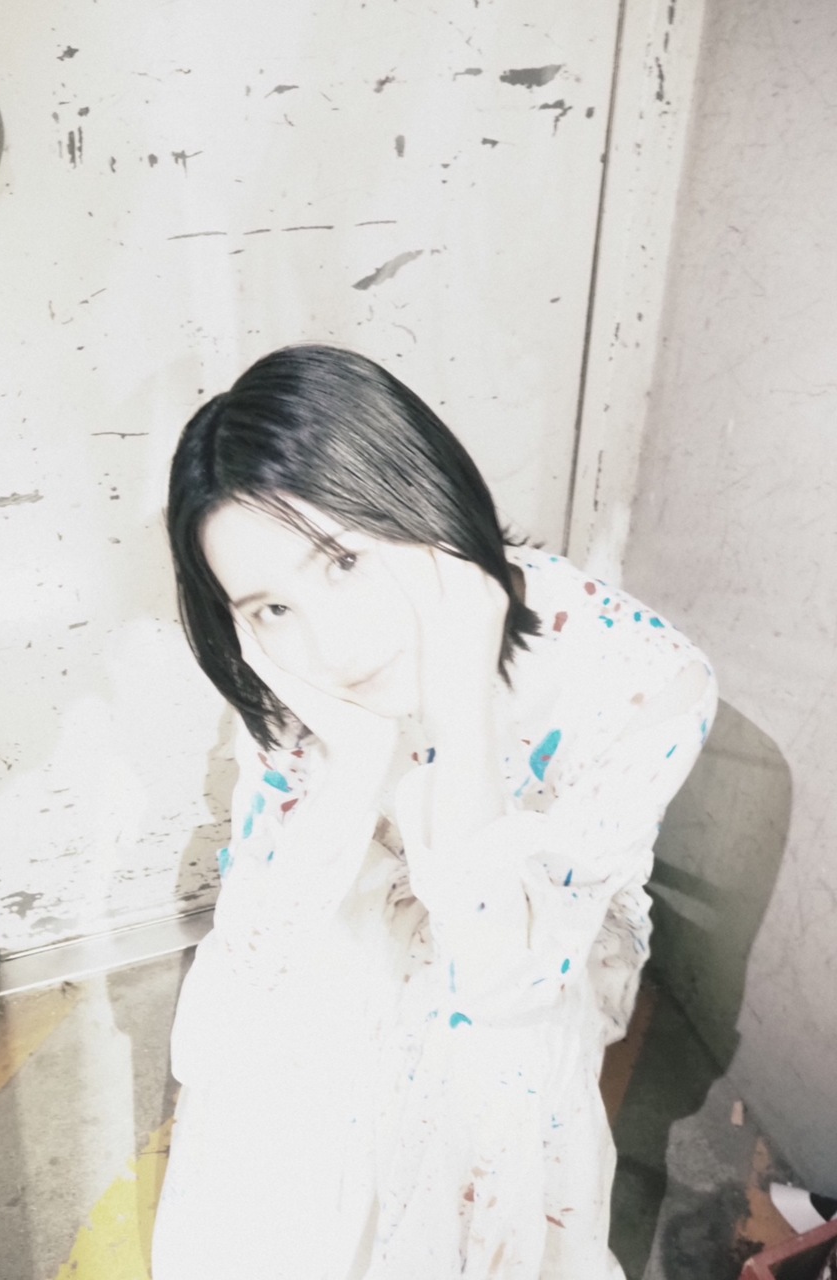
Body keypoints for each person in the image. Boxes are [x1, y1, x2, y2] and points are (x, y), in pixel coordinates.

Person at [152, 343, 717, 1280]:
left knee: (486, 1070)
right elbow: (236, 993)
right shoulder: (292, 667)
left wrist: (459, 714)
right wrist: (351, 765)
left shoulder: (643, 680)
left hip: (538, 928)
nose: (332, 644)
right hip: (372, 873)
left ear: (423, 495)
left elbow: (508, 980)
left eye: (342, 560)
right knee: (286, 1052)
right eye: (271, 606)